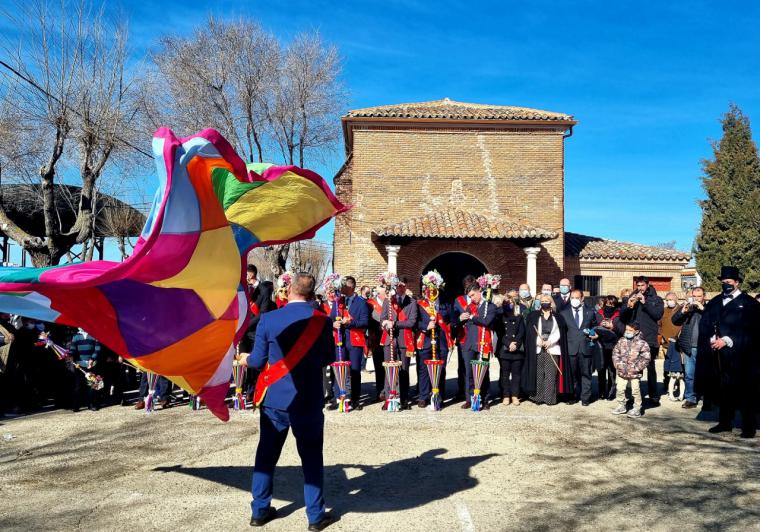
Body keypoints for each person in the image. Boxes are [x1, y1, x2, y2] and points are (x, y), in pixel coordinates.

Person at [240, 273, 336, 530]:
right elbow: (328, 358)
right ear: (311, 292)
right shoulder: (323, 321)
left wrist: (244, 359)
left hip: (275, 400)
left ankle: (259, 511)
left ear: (290, 289)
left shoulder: (269, 319)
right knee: (312, 457)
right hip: (308, 398)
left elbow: (258, 362)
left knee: (266, 455)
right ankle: (315, 516)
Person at [696, 266, 759, 439]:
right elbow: (706, 324)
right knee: (723, 389)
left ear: (737, 282)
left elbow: (752, 329)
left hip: (742, 355)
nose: (726, 285)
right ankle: (725, 422)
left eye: (729, 283)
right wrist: (711, 339)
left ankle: (749, 426)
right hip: (718, 356)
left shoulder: (748, 303)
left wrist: (728, 340)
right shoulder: (715, 302)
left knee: (745, 391)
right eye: (723, 283)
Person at [619, 276, 664, 405]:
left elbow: (657, 315)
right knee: (634, 368)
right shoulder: (632, 297)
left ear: (647, 285)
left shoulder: (656, 299)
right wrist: (628, 305)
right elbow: (623, 316)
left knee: (650, 367)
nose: (640, 288)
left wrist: (645, 302)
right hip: (634, 337)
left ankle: (654, 396)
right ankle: (635, 395)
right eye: (638, 286)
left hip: (649, 338)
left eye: (642, 286)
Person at [522, 294, 572, 405]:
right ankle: (538, 397)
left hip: (553, 348)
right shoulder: (533, 315)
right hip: (538, 349)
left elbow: (560, 332)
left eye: (546, 300)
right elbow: (530, 333)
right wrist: (537, 342)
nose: (544, 302)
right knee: (538, 374)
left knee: (550, 374)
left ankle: (549, 398)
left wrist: (550, 341)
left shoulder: (558, 317)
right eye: (542, 301)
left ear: (551, 302)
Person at [329, 276, 368, 410]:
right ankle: (337, 398)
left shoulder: (361, 302)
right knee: (337, 369)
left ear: (351, 286)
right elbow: (330, 318)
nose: (341, 288)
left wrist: (350, 322)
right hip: (340, 340)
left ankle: (356, 400)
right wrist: (333, 323)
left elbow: (364, 322)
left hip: (355, 341)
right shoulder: (338, 301)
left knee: (355, 371)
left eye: (343, 286)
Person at [240, 264, 275, 404]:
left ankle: (254, 391)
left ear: (252, 274)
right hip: (243, 333)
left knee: (255, 362)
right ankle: (242, 391)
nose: (245, 276)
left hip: (255, 331)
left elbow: (264, 312)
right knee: (242, 361)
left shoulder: (264, 288)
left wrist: (246, 325)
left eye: (247, 273)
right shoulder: (242, 288)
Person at [458, 282, 497, 410]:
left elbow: (486, 321)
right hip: (469, 343)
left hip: (483, 343)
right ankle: (470, 399)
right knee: (469, 372)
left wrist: (473, 317)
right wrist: (462, 317)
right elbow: (465, 322)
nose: (472, 298)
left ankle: (485, 399)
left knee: (483, 372)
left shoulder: (490, 306)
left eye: (473, 295)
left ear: (479, 291)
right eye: (470, 296)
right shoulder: (470, 307)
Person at [381, 278, 417, 410]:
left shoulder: (412, 302)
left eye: (403, 285)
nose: (401, 287)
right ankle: (388, 398)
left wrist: (395, 324)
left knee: (404, 370)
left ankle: (404, 399)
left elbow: (412, 322)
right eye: (399, 285)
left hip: (404, 340)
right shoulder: (388, 300)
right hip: (389, 340)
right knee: (389, 369)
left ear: (406, 286)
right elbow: (382, 318)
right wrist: (385, 324)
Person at [559, 289, 599, 405]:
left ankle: (585, 398)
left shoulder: (590, 312)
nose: (574, 300)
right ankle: (572, 396)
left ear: (582, 299)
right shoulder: (564, 313)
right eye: (572, 298)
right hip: (570, 349)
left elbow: (594, 326)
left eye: (577, 298)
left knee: (586, 374)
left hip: (585, 348)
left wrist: (595, 333)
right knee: (572, 375)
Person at [415, 280, 451, 408]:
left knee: (441, 369)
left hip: (441, 341)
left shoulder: (444, 304)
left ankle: (438, 396)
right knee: (423, 370)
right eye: (429, 290)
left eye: (434, 289)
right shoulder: (420, 305)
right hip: (425, 340)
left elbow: (450, 320)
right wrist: (426, 326)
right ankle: (423, 396)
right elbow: (415, 322)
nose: (431, 292)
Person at [671, 287, 705, 409]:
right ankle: (691, 398)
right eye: (694, 296)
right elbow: (674, 321)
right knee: (689, 374)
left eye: (699, 296)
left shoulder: (709, 308)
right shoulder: (686, 307)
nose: (696, 299)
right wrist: (683, 312)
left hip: (704, 347)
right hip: (689, 346)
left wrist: (703, 310)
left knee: (705, 374)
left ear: (703, 297)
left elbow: (714, 321)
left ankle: (706, 397)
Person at [611, 322, 651, 418]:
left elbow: (646, 358)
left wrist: (636, 368)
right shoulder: (621, 341)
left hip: (634, 373)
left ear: (636, 332)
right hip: (622, 371)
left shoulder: (642, 343)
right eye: (626, 330)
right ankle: (621, 405)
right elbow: (615, 353)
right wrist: (618, 364)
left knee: (635, 390)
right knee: (620, 389)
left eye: (630, 330)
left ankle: (637, 408)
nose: (627, 332)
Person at [496, 293, 525, 406]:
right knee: (505, 375)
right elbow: (500, 333)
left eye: (511, 303)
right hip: (505, 349)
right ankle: (506, 395)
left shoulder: (519, 317)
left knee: (516, 375)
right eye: (507, 303)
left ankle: (515, 395)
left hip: (517, 350)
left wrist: (515, 344)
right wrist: (508, 344)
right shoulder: (500, 318)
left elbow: (521, 332)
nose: (509, 305)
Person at [452, 275, 477, 400]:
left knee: (477, 365)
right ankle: (462, 391)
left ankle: (477, 393)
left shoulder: (479, 299)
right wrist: (459, 319)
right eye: (467, 285)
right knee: (462, 366)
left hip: (477, 337)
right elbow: (453, 318)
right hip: (463, 336)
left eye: (471, 284)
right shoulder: (458, 300)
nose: (469, 287)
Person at [69, 328, 101, 412]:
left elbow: (97, 349)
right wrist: (70, 355)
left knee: (92, 385)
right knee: (78, 385)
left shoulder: (94, 334)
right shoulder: (76, 336)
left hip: (92, 364)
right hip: (79, 365)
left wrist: (92, 359)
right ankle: (76, 405)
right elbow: (72, 349)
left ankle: (91, 404)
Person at [596, 295, 620, 400]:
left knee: (612, 370)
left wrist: (612, 327)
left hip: (613, 345)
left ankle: (611, 392)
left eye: (613, 304)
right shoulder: (598, 313)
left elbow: (621, 329)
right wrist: (600, 325)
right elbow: (593, 325)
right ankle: (601, 391)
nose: (611, 306)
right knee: (601, 369)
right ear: (605, 303)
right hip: (600, 344)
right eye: (609, 303)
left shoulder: (618, 315)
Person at [366, 283, 386, 402]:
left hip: (390, 339)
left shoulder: (390, 302)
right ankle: (380, 392)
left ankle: (391, 391)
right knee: (379, 367)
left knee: (390, 366)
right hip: (376, 339)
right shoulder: (370, 303)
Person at [659, 292, 682, 395]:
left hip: (679, 343)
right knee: (667, 364)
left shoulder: (681, 310)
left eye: (671, 299)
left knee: (678, 365)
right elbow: (658, 325)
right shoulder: (663, 311)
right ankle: (666, 384)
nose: (669, 301)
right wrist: (661, 337)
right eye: (667, 300)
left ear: (676, 299)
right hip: (666, 343)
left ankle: (679, 384)